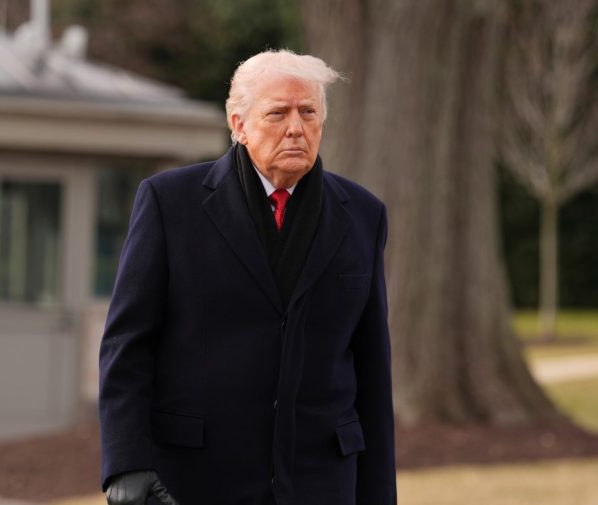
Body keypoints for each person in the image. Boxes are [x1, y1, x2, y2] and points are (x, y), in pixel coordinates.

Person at [99, 49, 396, 505]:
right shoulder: (169, 202)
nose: (295, 127)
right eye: (278, 113)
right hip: (197, 478)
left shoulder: (363, 214)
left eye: (308, 112)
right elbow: (127, 345)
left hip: (321, 480)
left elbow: (372, 368)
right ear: (238, 124)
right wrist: (125, 462)